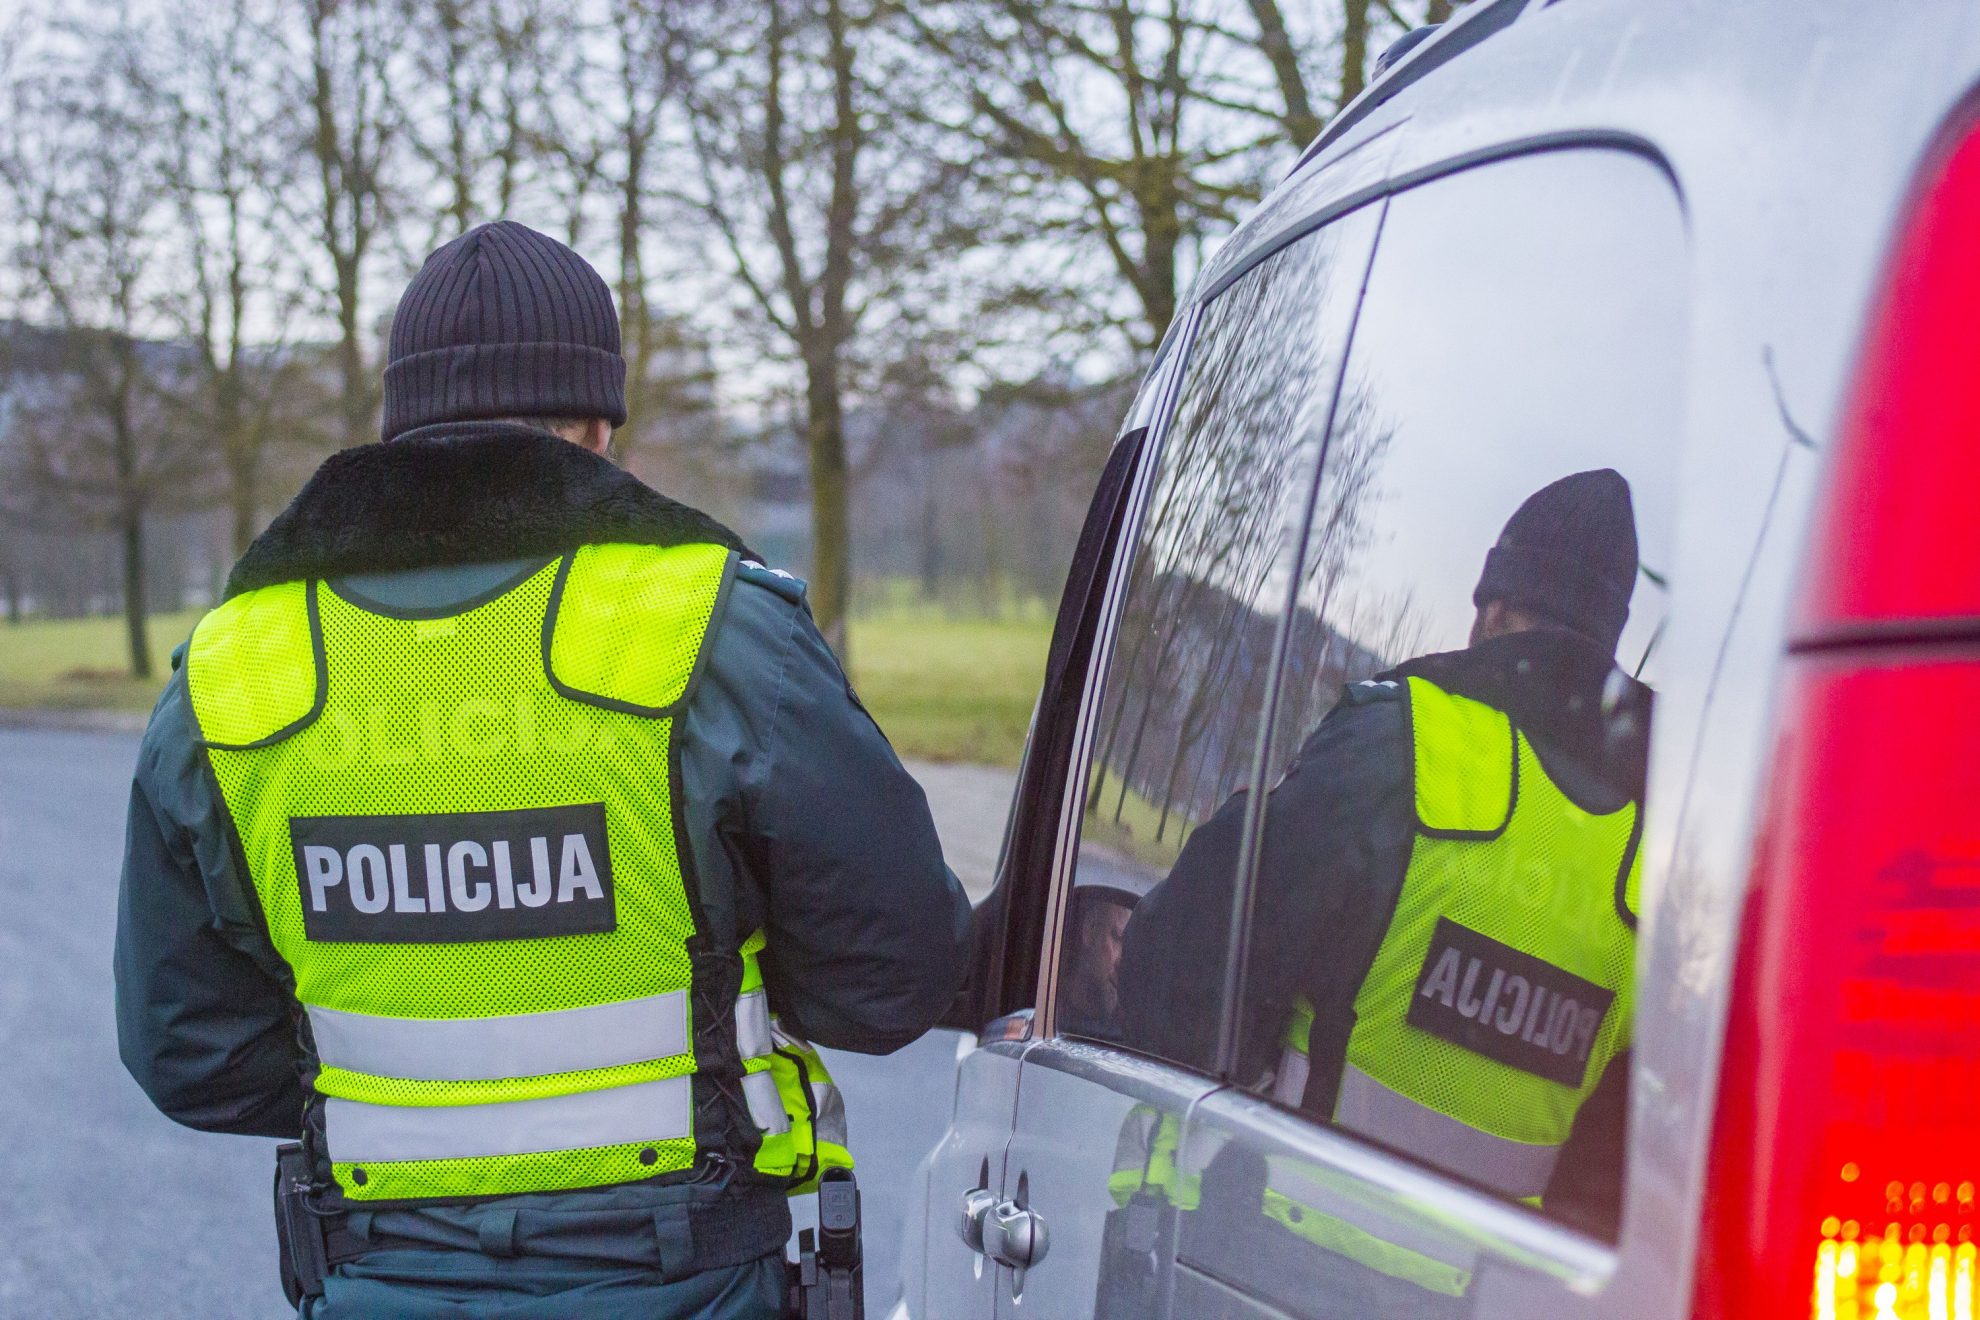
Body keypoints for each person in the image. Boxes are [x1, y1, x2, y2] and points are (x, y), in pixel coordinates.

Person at [113, 220, 971, 1318]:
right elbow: (894, 976)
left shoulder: (232, 675)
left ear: (396, 429)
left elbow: (189, 1050)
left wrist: (423, 1111)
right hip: (688, 1278)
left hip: (378, 1275)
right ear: (599, 428)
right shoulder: (714, 634)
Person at [1119, 469, 1650, 1245]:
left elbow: (1187, 960)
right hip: (1489, 1294)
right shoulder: (1660, 866)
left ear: (1496, 610)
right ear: (1607, 639)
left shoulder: (1403, 751)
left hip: (1272, 1261)